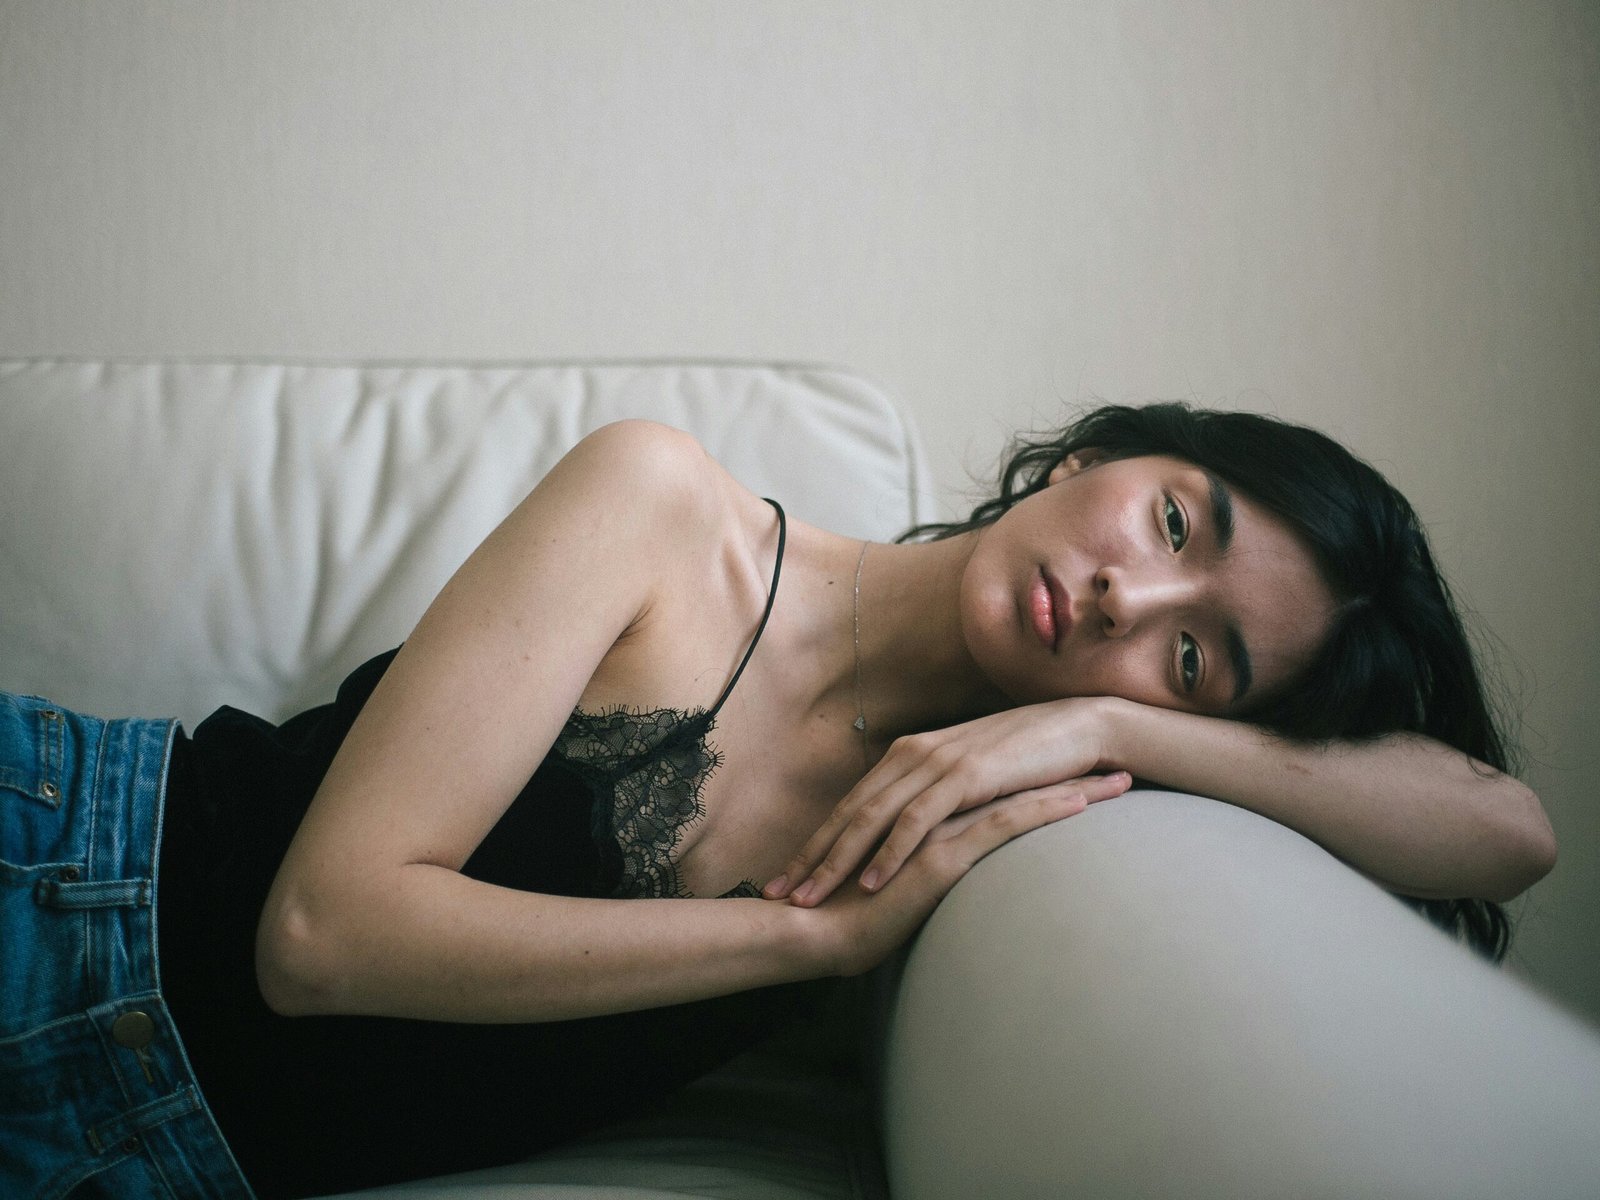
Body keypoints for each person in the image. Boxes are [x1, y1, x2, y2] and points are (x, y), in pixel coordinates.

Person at [0, 402, 1556, 1200]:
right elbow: (322, 937)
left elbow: (1508, 832)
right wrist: (810, 941)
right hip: (68, 878)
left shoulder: (985, 797)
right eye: (1170, 521)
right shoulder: (666, 509)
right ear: (1102, 451)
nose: (1124, 595)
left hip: (155, 1151)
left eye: (1196, 654)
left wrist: (1109, 720)